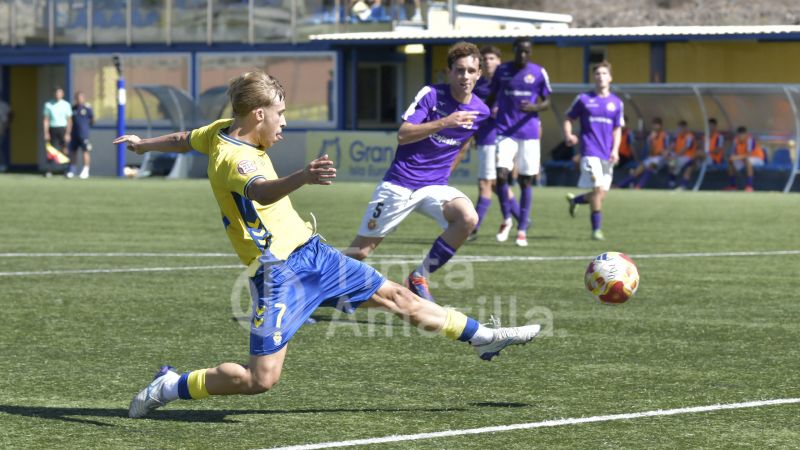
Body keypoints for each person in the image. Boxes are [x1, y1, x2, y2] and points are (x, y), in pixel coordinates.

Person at [115, 70, 540, 419]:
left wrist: (141, 143)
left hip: (313, 252)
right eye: (279, 115)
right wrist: (303, 176)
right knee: (260, 380)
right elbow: (261, 192)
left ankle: (485, 337)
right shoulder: (235, 158)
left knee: (397, 297)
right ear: (258, 114)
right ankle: (170, 386)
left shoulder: (220, 131)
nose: (284, 123)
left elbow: (184, 137)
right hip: (278, 273)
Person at [345, 42, 490, 302]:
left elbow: (464, 145)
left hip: (434, 187)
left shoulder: (481, 111)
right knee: (361, 251)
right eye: (459, 70)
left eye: (470, 71)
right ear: (449, 72)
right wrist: (445, 121)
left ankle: (419, 276)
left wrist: (444, 177)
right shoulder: (431, 94)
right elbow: (403, 135)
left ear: (479, 73)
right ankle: (310, 290)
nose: (465, 77)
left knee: (468, 218)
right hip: (400, 183)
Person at [487, 37, 551, 247]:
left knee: (525, 181)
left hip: (529, 133)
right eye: (519, 51)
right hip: (505, 131)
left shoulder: (539, 72)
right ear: (513, 50)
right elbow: (491, 97)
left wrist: (535, 108)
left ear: (530, 53)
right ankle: (506, 219)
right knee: (501, 175)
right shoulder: (502, 71)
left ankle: (522, 228)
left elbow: (548, 101)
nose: (522, 55)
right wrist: (480, 117)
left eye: (526, 52)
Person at [563, 61, 623, 241]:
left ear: (610, 77)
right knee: (597, 189)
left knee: (601, 194)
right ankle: (596, 230)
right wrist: (568, 135)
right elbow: (568, 118)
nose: (600, 76)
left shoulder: (616, 103)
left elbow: (617, 129)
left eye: (604, 73)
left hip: (607, 154)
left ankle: (575, 201)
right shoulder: (583, 99)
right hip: (589, 152)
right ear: (594, 78)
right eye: (597, 73)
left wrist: (616, 150)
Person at [469, 45, 520, 241]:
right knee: (497, 185)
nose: (489, 62)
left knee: (485, 184)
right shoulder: (479, 85)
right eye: (486, 58)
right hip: (484, 137)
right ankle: (521, 218)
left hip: (500, 137)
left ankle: (472, 228)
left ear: (499, 61)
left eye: (492, 58)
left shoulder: (508, 83)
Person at [616, 117, 669, 189]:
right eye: (654, 125)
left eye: (657, 124)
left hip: (661, 157)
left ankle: (639, 186)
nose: (656, 126)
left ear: (661, 125)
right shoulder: (651, 137)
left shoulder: (665, 135)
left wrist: (665, 156)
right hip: (653, 157)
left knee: (651, 166)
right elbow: (650, 151)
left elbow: (667, 148)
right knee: (639, 169)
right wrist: (650, 142)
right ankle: (619, 185)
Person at [43, 86, 73, 177]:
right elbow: (46, 120)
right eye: (56, 93)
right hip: (52, 128)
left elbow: (69, 120)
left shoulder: (66, 105)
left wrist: (68, 133)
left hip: (62, 128)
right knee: (51, 149)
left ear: (62, 94)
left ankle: (66, 170)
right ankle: (49, 170)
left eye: (59, 93)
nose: (58, 95)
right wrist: (46, 132)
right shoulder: (48, 105)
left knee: (64, 149)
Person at [725, 126, 765, 192]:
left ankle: (749, 186)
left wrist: (736, 157)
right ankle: (733, 186)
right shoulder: (736, 140)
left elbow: (748, 154)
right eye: (739, 135)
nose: (740, 137)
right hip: (743, 160)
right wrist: (732, 157)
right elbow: (733, 153)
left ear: (746, 134)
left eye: (742, 135)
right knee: (730, 162)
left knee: (747, 160)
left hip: (758, 159)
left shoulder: (750, 140)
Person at [67, 91, 94, 179]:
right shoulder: (73, 108)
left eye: (81, 98)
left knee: (85, 151)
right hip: (74, 134)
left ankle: (86, 171)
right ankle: (72, 170)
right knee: (73, 152)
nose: (79, 99)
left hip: (84, 135)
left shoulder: (87, 108)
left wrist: (85, 127)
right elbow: (70, 121)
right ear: (76, 99)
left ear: (84, 98)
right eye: (78, 98)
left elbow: (92, 119)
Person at [667, 119, 698, 190]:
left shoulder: (689, 136)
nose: (680, 130)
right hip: (679, 157)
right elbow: (672, 145)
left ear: (685, 128)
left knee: (674, 161)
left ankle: (677, 183)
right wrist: (667, 152)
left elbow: (685, 148)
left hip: (688, 157)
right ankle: (672, 182)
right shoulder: (677, 135)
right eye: (679, 128)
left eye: (681, 128)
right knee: (671, 162)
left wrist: (675, 156)